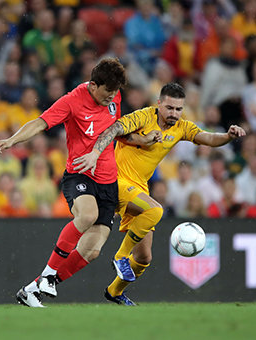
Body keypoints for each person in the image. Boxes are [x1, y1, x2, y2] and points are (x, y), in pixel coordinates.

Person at [73, 83, 245, 305]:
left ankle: (114, 291)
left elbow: (209, 138)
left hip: (138, 187)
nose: (174, 113)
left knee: (144, 258)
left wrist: (229, 136)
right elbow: (115, 129)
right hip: (114, 180)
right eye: (170, 108)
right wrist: (139, 140)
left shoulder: (181, 127)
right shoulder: (143, 117)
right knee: (155, 210)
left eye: (178, 109)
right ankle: (120, 256)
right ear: (159, 104)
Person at [0, 58, 128, 308]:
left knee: (91, 251)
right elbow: (40, 123)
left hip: (109, 181)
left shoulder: (113, 95)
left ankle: (31, 289)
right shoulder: (72, 100)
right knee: (86, 215)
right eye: (108, 92)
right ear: (93, 85)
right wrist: (12, 140)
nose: (112, 97)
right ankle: (49, 274)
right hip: (80, 174)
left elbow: (115, 128)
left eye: (115, 93)